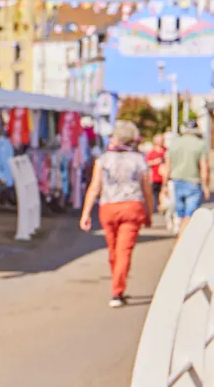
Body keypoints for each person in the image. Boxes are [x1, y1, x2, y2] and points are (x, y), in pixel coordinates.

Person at [80, 120, 153, 308]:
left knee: (113, 250)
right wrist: (149, 212)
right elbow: (147, 190)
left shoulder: (103, 159)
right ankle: (117, 290)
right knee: (124, 251)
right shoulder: (138, 160)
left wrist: (86, 212)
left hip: (108, 207)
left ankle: (117, 286)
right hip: (132, 206)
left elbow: (95, 187)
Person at [165, 119, 210, 235]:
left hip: (176, 181)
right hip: (193, 182)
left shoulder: (174, 143)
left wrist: (164, 184)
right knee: (190, 214)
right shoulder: (200, 144)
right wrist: (205, 186)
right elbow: (204, 167)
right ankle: (183, 238)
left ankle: (181, 234)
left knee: (180, 213)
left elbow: (167, 166)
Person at [145, 133, 166, 212]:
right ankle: (155, 208)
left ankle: (162, 207)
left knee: (163, 193)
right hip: (155, 177)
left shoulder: (166, 150)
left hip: (164, 177)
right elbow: (147, 163)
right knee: (155, 194)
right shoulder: (152, 151)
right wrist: (155, 162)